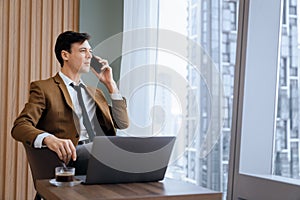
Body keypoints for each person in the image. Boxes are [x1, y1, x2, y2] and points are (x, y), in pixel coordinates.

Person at [11, 31, 129, 174]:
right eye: (83, 51)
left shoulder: (96, 93)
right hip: (70, 158)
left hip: (100, 154)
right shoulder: (44, 88)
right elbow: (20, 126)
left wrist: (110, 84)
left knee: (137, 150)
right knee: (113, 152)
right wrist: (48, 139)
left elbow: (122, 123)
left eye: (90, 51)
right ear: (65, 55)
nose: (89, 55)